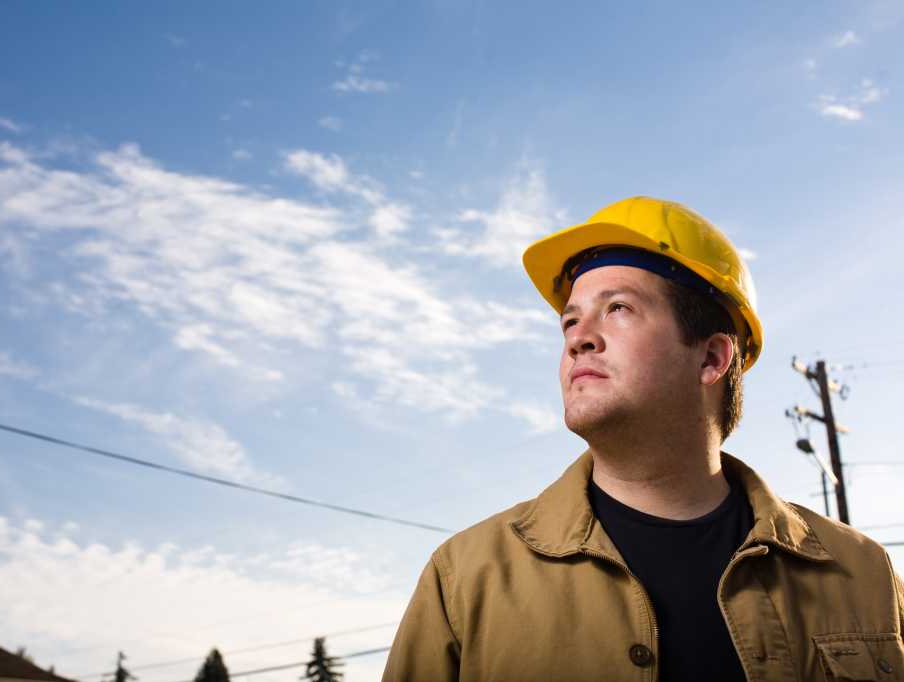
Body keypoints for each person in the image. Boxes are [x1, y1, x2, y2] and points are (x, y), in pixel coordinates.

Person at [382, 196, 904, 681]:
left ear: (711, 358)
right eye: (570, 321)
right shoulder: (463, 577)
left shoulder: (864, 573)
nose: (578, 338)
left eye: (618, 308)